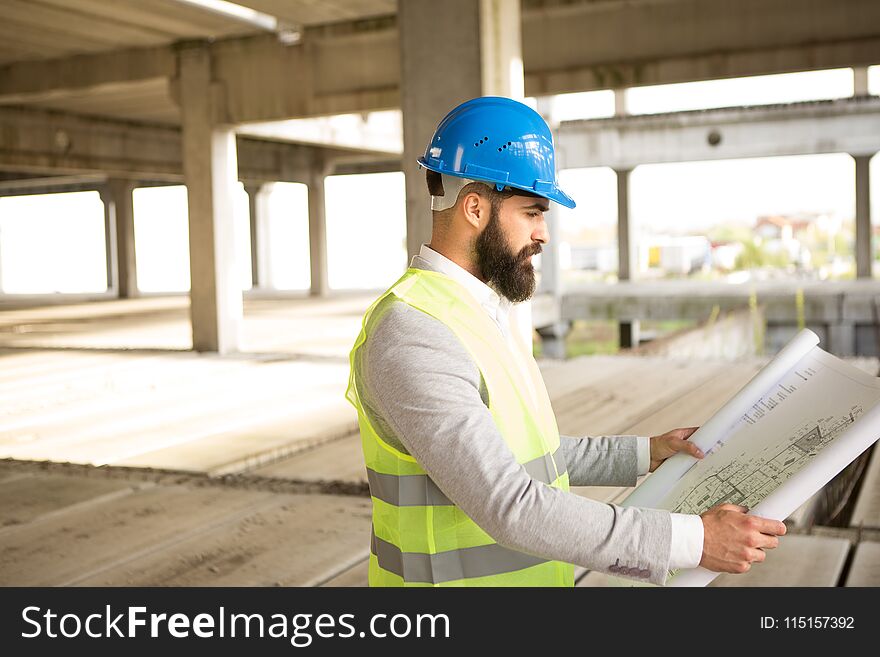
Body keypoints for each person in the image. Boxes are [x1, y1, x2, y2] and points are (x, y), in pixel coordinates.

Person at [345, 96, 786, 587]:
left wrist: (644, 454)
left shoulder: (477, 312)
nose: (544, 234)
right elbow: (507, 504)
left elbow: (523, 453)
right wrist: (693, 541)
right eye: (533, 212)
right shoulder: (414, 333)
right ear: (475, 207)